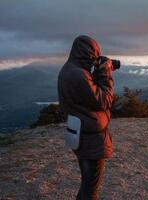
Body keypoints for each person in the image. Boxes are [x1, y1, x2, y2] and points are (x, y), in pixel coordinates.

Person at [57, 35, 114, 200]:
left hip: (82, 133)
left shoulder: (70, 69)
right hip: (91, 139)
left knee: (87, 184)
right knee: (91, 190)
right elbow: (105, 100)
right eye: (95, 54)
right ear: (89, 53)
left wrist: (97, 73)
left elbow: (87, 96)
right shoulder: (79, 75)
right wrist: (105, 74)